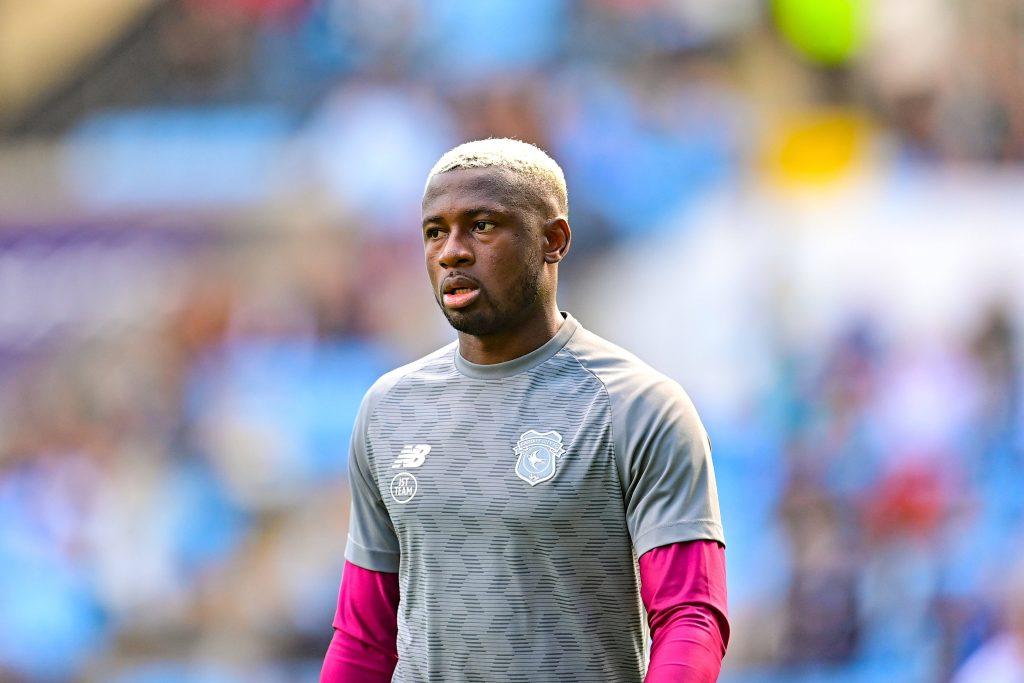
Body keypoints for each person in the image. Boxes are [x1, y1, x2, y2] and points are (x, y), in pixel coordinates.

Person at [320, 138, 729, 682]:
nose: (452, 252)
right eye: (435, 231)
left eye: (482, 226)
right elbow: (364, 636)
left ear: (553, 240)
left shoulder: (636, 406)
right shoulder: (388, 408)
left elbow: (690, 616)